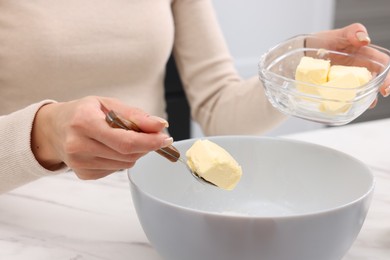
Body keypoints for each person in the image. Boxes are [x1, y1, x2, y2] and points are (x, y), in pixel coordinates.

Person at [0, 1, 389, 194]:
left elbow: (220, 109)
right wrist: (44, 133)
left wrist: (294, 70)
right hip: (21, 208)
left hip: (143, 199)